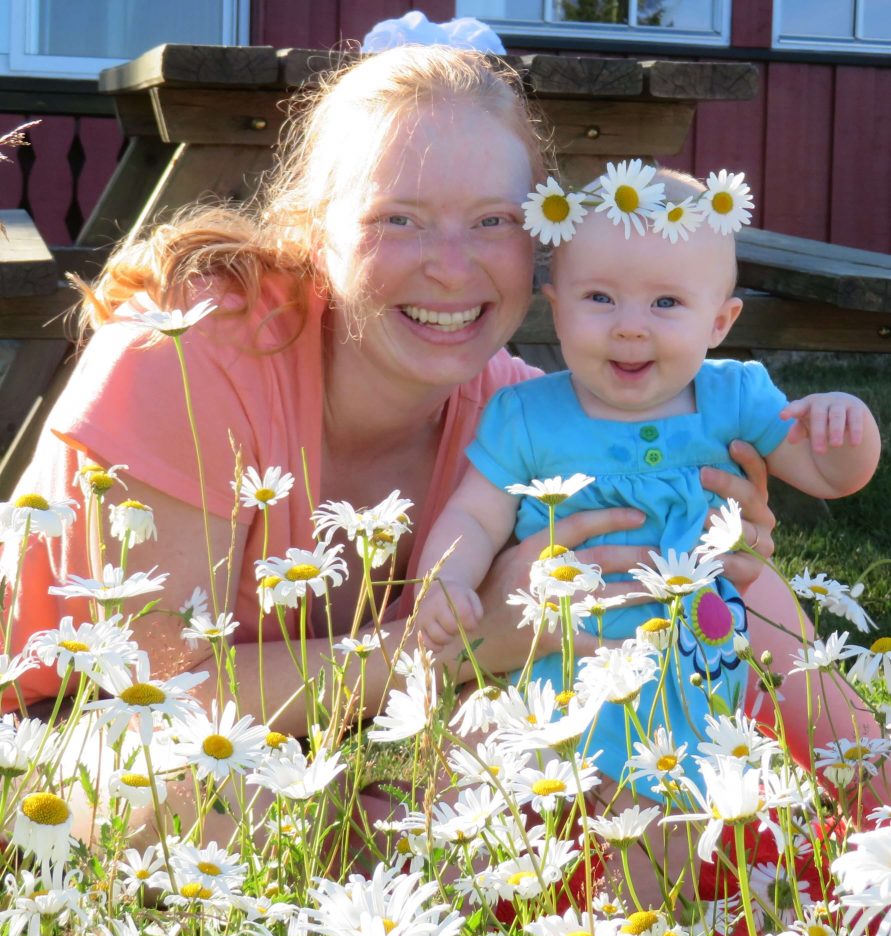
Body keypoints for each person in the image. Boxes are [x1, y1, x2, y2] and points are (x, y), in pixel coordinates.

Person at [0, 47, 867, 840]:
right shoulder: (185, 354)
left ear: (539, 244)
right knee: (224, 808)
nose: (451, 267)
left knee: (558, 781)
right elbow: (155, 689)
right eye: (398, 220)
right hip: (71, 734)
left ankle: (868, 802)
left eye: (492, 221)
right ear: (312, 228)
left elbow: (667, 587)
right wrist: (451, 642)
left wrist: (711, 550)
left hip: (349, 735)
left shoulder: (523, 419)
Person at [415, 167, 881, 795]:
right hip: (556, 667)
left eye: (665, 303)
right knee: (502, 817)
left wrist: (847, 429)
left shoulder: (733, 400)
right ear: (557, 310)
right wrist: (446, 579)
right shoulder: (527, 417)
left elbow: (828, 476)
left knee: (673, 821)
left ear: (720, 322)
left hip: (691, 671)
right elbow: (476, 514)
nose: (630, 325)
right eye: (600, 298)